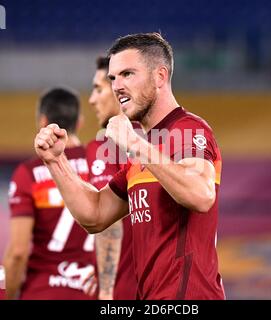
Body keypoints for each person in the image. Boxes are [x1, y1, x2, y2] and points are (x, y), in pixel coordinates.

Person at [34, 32, 225, 299]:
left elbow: (201, 195)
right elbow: (95, 215)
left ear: (160, 76)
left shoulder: (188, 129)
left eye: (128, 74)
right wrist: (56, 161)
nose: (117, 86)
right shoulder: (145, 152)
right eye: (113, 78)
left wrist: (135, 144)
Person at [4, 88, 97, 300]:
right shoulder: (100, 166)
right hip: (92, 292)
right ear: (80, 122)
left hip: (42, 291)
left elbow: (17, 253)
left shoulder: (28, 173)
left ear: (42, 121)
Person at [85, 56, 137, 300]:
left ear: (118, 91)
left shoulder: (107, 142)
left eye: (98, 89)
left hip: (123, 291)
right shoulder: (153, 137)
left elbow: (109, 223)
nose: (91, 99)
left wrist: (106, 292)